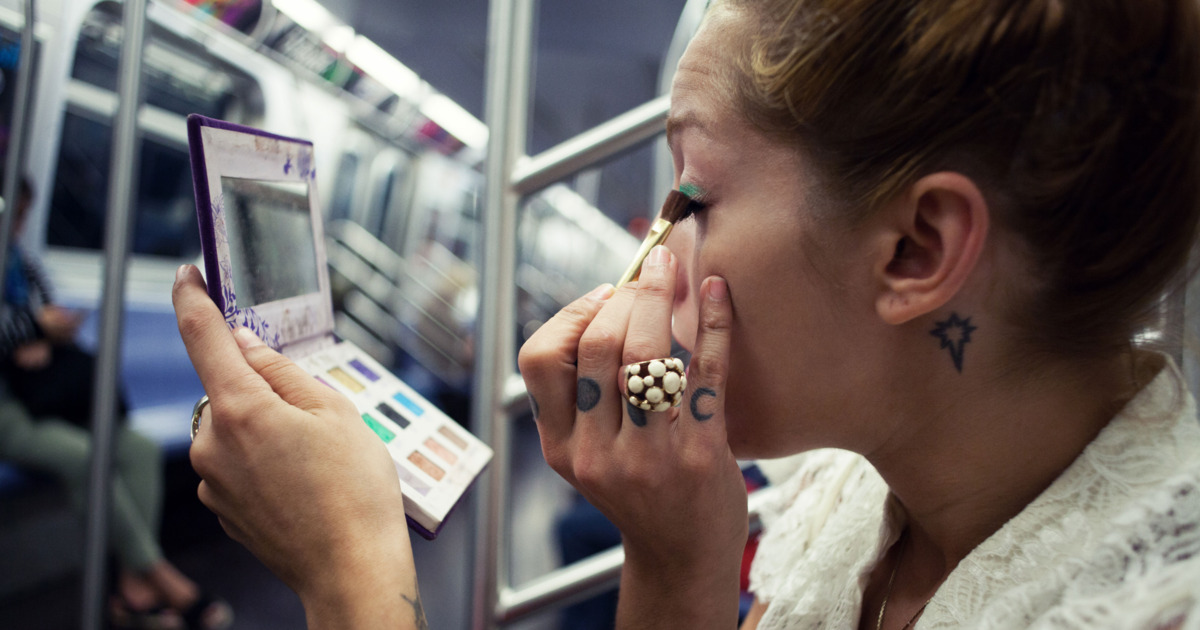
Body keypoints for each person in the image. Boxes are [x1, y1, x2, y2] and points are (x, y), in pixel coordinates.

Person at [172, 0, 1200, 628]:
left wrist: (354, 577)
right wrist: (677, 562)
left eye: (692, 201)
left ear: (917, 249)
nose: (648, 266)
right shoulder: (845, 495)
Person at [0, 176, 232, 629]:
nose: (17, 222)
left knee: (138, 447)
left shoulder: (21, 261)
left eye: (24, 213)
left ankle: (132, 588)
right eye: (14, 211)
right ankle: (164, 580)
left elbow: (53, 314)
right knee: (86, 455)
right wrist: (30, 329)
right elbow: (34, 321)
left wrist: (40, 331)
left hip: (43, 396)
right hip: (9, 407)